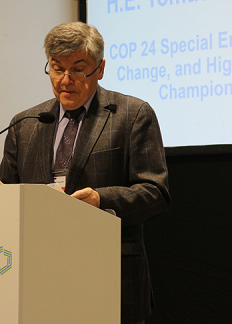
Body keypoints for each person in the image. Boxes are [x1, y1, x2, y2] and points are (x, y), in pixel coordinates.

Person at [0, 22, 170, 324]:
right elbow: (6, 198)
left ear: (100, 69)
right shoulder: (24, 124)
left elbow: (155, 192)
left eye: (79, 69)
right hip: (39, 279)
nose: (65, 80)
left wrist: (100, 200)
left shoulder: (132, 115)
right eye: (56, 68)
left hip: (110, 276)